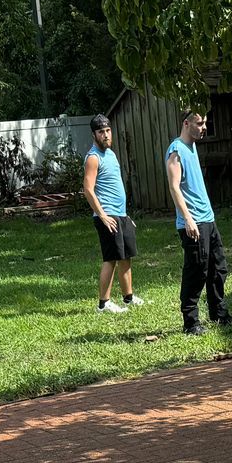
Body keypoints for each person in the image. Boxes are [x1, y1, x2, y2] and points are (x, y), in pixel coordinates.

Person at [166, 108, 232, 336]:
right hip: (193, 222)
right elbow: (174, 187)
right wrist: (187, 219)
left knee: (218, 267)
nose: (204, 127)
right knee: (196, 271)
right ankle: (191, 322)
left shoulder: (192, 147)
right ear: (186, 123)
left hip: (208, 219)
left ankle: (219, 314)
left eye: (205, 123)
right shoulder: (176, 150)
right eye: (200, 123)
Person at [82, 114, 144, 314]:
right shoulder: (93, 158)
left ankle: (128, 298)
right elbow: (88, 189)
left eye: (108, 131)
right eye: (101, 132)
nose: (106, 135)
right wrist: (101, 215)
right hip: (106, 216)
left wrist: (125, 216)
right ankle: (103, 303)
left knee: (125, 256)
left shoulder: (112, 154)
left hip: (120, 215)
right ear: (94, 135)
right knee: (111, 258)